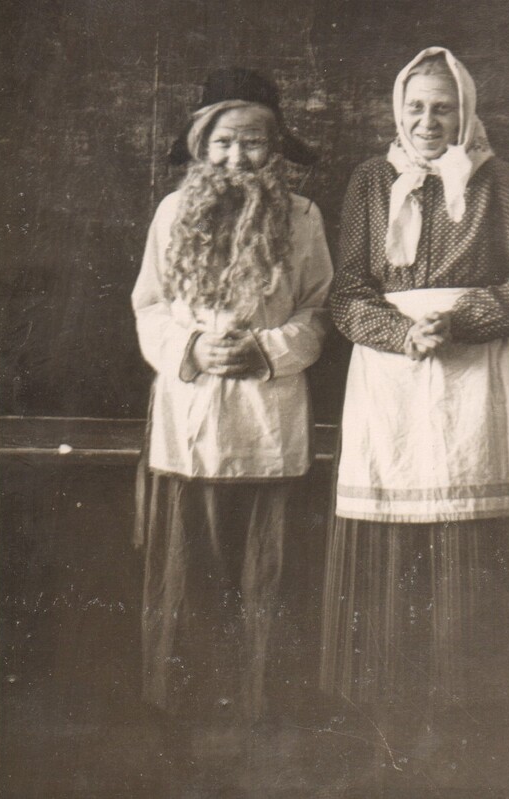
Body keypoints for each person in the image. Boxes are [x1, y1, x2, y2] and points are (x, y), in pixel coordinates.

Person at [320, 47, 509, 751]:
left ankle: (459, 716)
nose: (427, 121)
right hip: (390, 377)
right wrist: (398, 330)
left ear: (465, 111)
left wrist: (461, 320)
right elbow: (347, 292)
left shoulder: (496, 181)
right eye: (415, 106)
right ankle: (388, 713)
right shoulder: (371, 181)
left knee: (462, 541)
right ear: (398, 109)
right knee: (390, 539)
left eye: (442, 107)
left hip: (471, 373)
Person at [132, 68, 333, 728]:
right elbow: (150, 306)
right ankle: (187, 715)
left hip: (267, 422)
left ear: (274, 149)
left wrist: (267, 350)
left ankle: (260, 714)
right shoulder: (171, 213)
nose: (236, 158)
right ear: (200, 144)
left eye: (251, 143)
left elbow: (317, 311)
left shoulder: (302, 219)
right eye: (222, 143)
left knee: (266, 576)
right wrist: (189, 348)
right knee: (192, 578)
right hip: (190, 421)